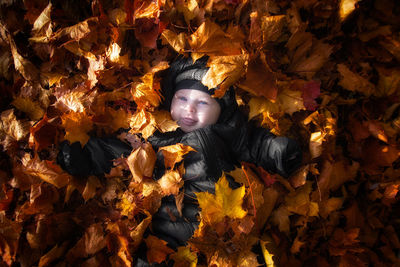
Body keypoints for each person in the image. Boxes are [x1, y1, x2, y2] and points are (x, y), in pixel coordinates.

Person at [57, 55, 303, 264]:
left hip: (220, 217)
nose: (189, 110)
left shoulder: (230, 131)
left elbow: (256, 144)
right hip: (170, 214)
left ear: (222, 109)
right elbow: (119, 153)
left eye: (203, 102)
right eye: (182, 99)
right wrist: (84, 155)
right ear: (170, 99)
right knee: (159, 251)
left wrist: (279, 151)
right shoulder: (156, 133)